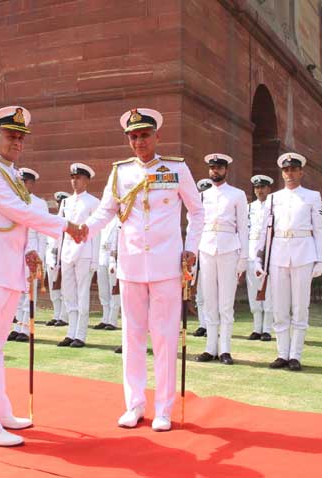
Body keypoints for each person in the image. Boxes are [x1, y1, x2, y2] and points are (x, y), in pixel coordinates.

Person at [0, 105, 83, 447]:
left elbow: (20, 219)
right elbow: (17, 210)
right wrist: (65, 225)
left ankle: (0, 411)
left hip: (8, 266)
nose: (17, 142)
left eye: (21, 137)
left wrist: (29, 249)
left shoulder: (12, 174)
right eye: (11, 136)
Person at [82, 108, 204, 432]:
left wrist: (191, 247)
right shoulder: (120, 172)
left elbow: (197, 211)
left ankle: (163, 408)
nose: (139, 141)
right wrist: (82, 231)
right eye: (133, 137)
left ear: (157, 136)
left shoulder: (176, 168)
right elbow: (105, 212)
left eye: (144, 135)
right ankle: (134, 405)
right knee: (132, 337)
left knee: (164, 338)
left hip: (166, 264)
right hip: (132, 263)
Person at [258, 153, 322, 372]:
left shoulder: (312, 196)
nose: (290, 173)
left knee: (300, 307)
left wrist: (320, 259)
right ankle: (281, 354)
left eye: (294, 169)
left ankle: (295, 355)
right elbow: (264, 231)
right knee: (279, 308)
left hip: (303, 253)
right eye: (286, 170)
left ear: (301, 172)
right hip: (278, 254)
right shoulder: (273, 198)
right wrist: (259, 257)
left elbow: (319, 230)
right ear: (282, 173)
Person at [195, 154, 248, 365]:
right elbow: (196, 226)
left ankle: (225, 349)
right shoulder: (202, 196)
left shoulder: (237, 194)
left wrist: (244, 257)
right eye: (212, 167)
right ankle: (210, 348)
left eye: (218, 167)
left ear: (226, 170)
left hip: (229, 248)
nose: (215, 171)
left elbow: (243, 227)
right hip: (206, 248)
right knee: (209, 302)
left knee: (226, 304)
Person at [58, 163, 100, 348]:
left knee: (82, 294)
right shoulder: (66, 202)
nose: (75, 181)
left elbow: (96, 233)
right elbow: (60, 229)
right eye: (73, 178)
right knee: (69, 293)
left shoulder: (93, 202)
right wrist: (58, 256)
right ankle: (70, 332)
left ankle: (80, 335)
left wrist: (95, 259)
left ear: (87, 180)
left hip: (84, 251)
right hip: (67, 251)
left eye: (79, 178)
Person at [9, 167, 48, 342]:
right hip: (16, 249)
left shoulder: (39, 204)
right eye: (19, 182)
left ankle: (26, 329)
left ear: (31, 183)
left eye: (24, 182)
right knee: (17, 291)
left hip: (31, 249)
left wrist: (40, 258)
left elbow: (42, 233)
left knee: (29, 292)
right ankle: (17, 327)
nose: (21, 185)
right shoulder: (13, 201)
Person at [246, 175, 274, 341]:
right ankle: (257, 328)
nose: (259, 190)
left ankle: (267, 329)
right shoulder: (249, 208)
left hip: (268, 253)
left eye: (262, 187)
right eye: (257, 187)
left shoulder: (274, 206)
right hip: (251, 252)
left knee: (268, 292)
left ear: (269, 189)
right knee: (253, 291)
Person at [45, 191, 69, 327]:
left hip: (63, 258)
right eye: (59, 203)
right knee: (54, 290)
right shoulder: (53, 220)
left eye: (62, 203)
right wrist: (50, 259)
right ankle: (56, 315)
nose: (60, 205)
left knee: (65, 290)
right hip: (51, 258)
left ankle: (64, 317)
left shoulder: (69, 222)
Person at [192, 178, 212, 337]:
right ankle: (202, 324)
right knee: (199, 294)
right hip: (198, 255)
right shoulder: (195, 214)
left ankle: (212, 325)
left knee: (211, 294)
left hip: (210, 254)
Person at [94, 216, 121, 330]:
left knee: (114, 290)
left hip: (113, 258)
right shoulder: (102, 220)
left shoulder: (119, 219)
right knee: (103, 290)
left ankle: (113, 320)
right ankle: (105, 318)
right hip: (101, 257)